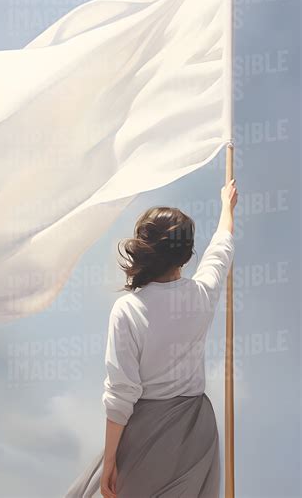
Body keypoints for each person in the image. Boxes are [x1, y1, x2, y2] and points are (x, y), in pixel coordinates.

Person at [64, 179, 237, 498]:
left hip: (146, 430)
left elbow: (121, 394)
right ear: (185, 256)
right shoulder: (201, 296)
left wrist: (111, 460)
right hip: (195, 431)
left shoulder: (128, 309)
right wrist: (227, 206)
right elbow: (221, 248)